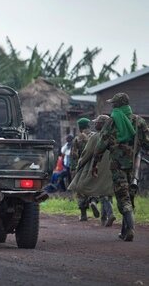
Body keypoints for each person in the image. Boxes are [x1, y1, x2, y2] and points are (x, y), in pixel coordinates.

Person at [92, 93, 149, 242]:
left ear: (118, 105)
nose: (112, 106)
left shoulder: (112, 122)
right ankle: (124, 231)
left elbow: (101, 145)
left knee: (123, 197)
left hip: (117, 166)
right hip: (134, 167)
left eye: (113, 104)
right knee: (130, 196)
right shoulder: (139, 121)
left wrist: (95, 163)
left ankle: (130, 229)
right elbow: (147, 144)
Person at [68, 115, 115, 226]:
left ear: (80, 127)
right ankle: (99, 208)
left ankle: (84, 214)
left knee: (82, 188)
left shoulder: (79, 138)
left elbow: (77, 156)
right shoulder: (104, 135)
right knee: (102, 190)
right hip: (107, 165)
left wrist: (75, 168)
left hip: (89, 165)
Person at [70, 118, 99, 221]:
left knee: (81, 190)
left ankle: (83, 215)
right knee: (93, 187)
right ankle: (93, 201)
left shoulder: (77, 139)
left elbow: (74, 156)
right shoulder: (95, 136)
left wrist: (73, 171)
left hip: (82, 167)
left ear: (79, 127)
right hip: (95, 166)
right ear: (88, 125)